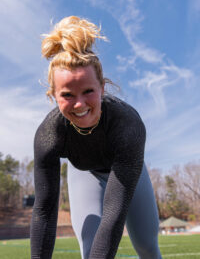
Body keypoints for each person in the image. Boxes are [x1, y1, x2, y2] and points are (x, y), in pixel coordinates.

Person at [30, 16, 162, 259]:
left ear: (102, 87)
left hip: (125, 172)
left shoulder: (127, 124)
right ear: (53, 95)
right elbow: (44, 212)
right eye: (68, 94)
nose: (80, 104)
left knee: (146, 246)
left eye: (88, 91)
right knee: (89, 249)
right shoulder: (49, 135)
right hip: (84, 172)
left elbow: (114, 214)